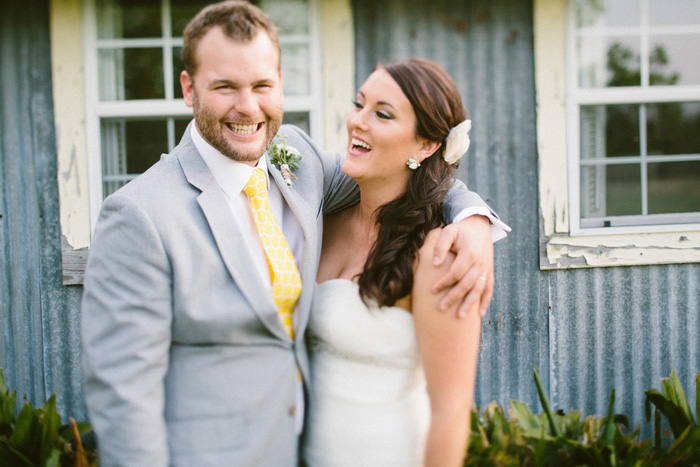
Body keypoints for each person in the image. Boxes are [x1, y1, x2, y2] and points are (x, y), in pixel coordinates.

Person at [80, 2, 507, 466]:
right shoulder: (139, 214)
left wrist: (473, 220)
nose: (248, 106)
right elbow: (123, 395)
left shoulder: (296, 161)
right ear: (189, 87)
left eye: (262, 85)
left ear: (280, 82)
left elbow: (408, 179)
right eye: (225, 86)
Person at [303, 58, 485, 466]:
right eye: (359, 104)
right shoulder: (319, 223)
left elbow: (451, 411)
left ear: (425, 145)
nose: (357, 122)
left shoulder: (438, 253)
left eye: (382, 114)